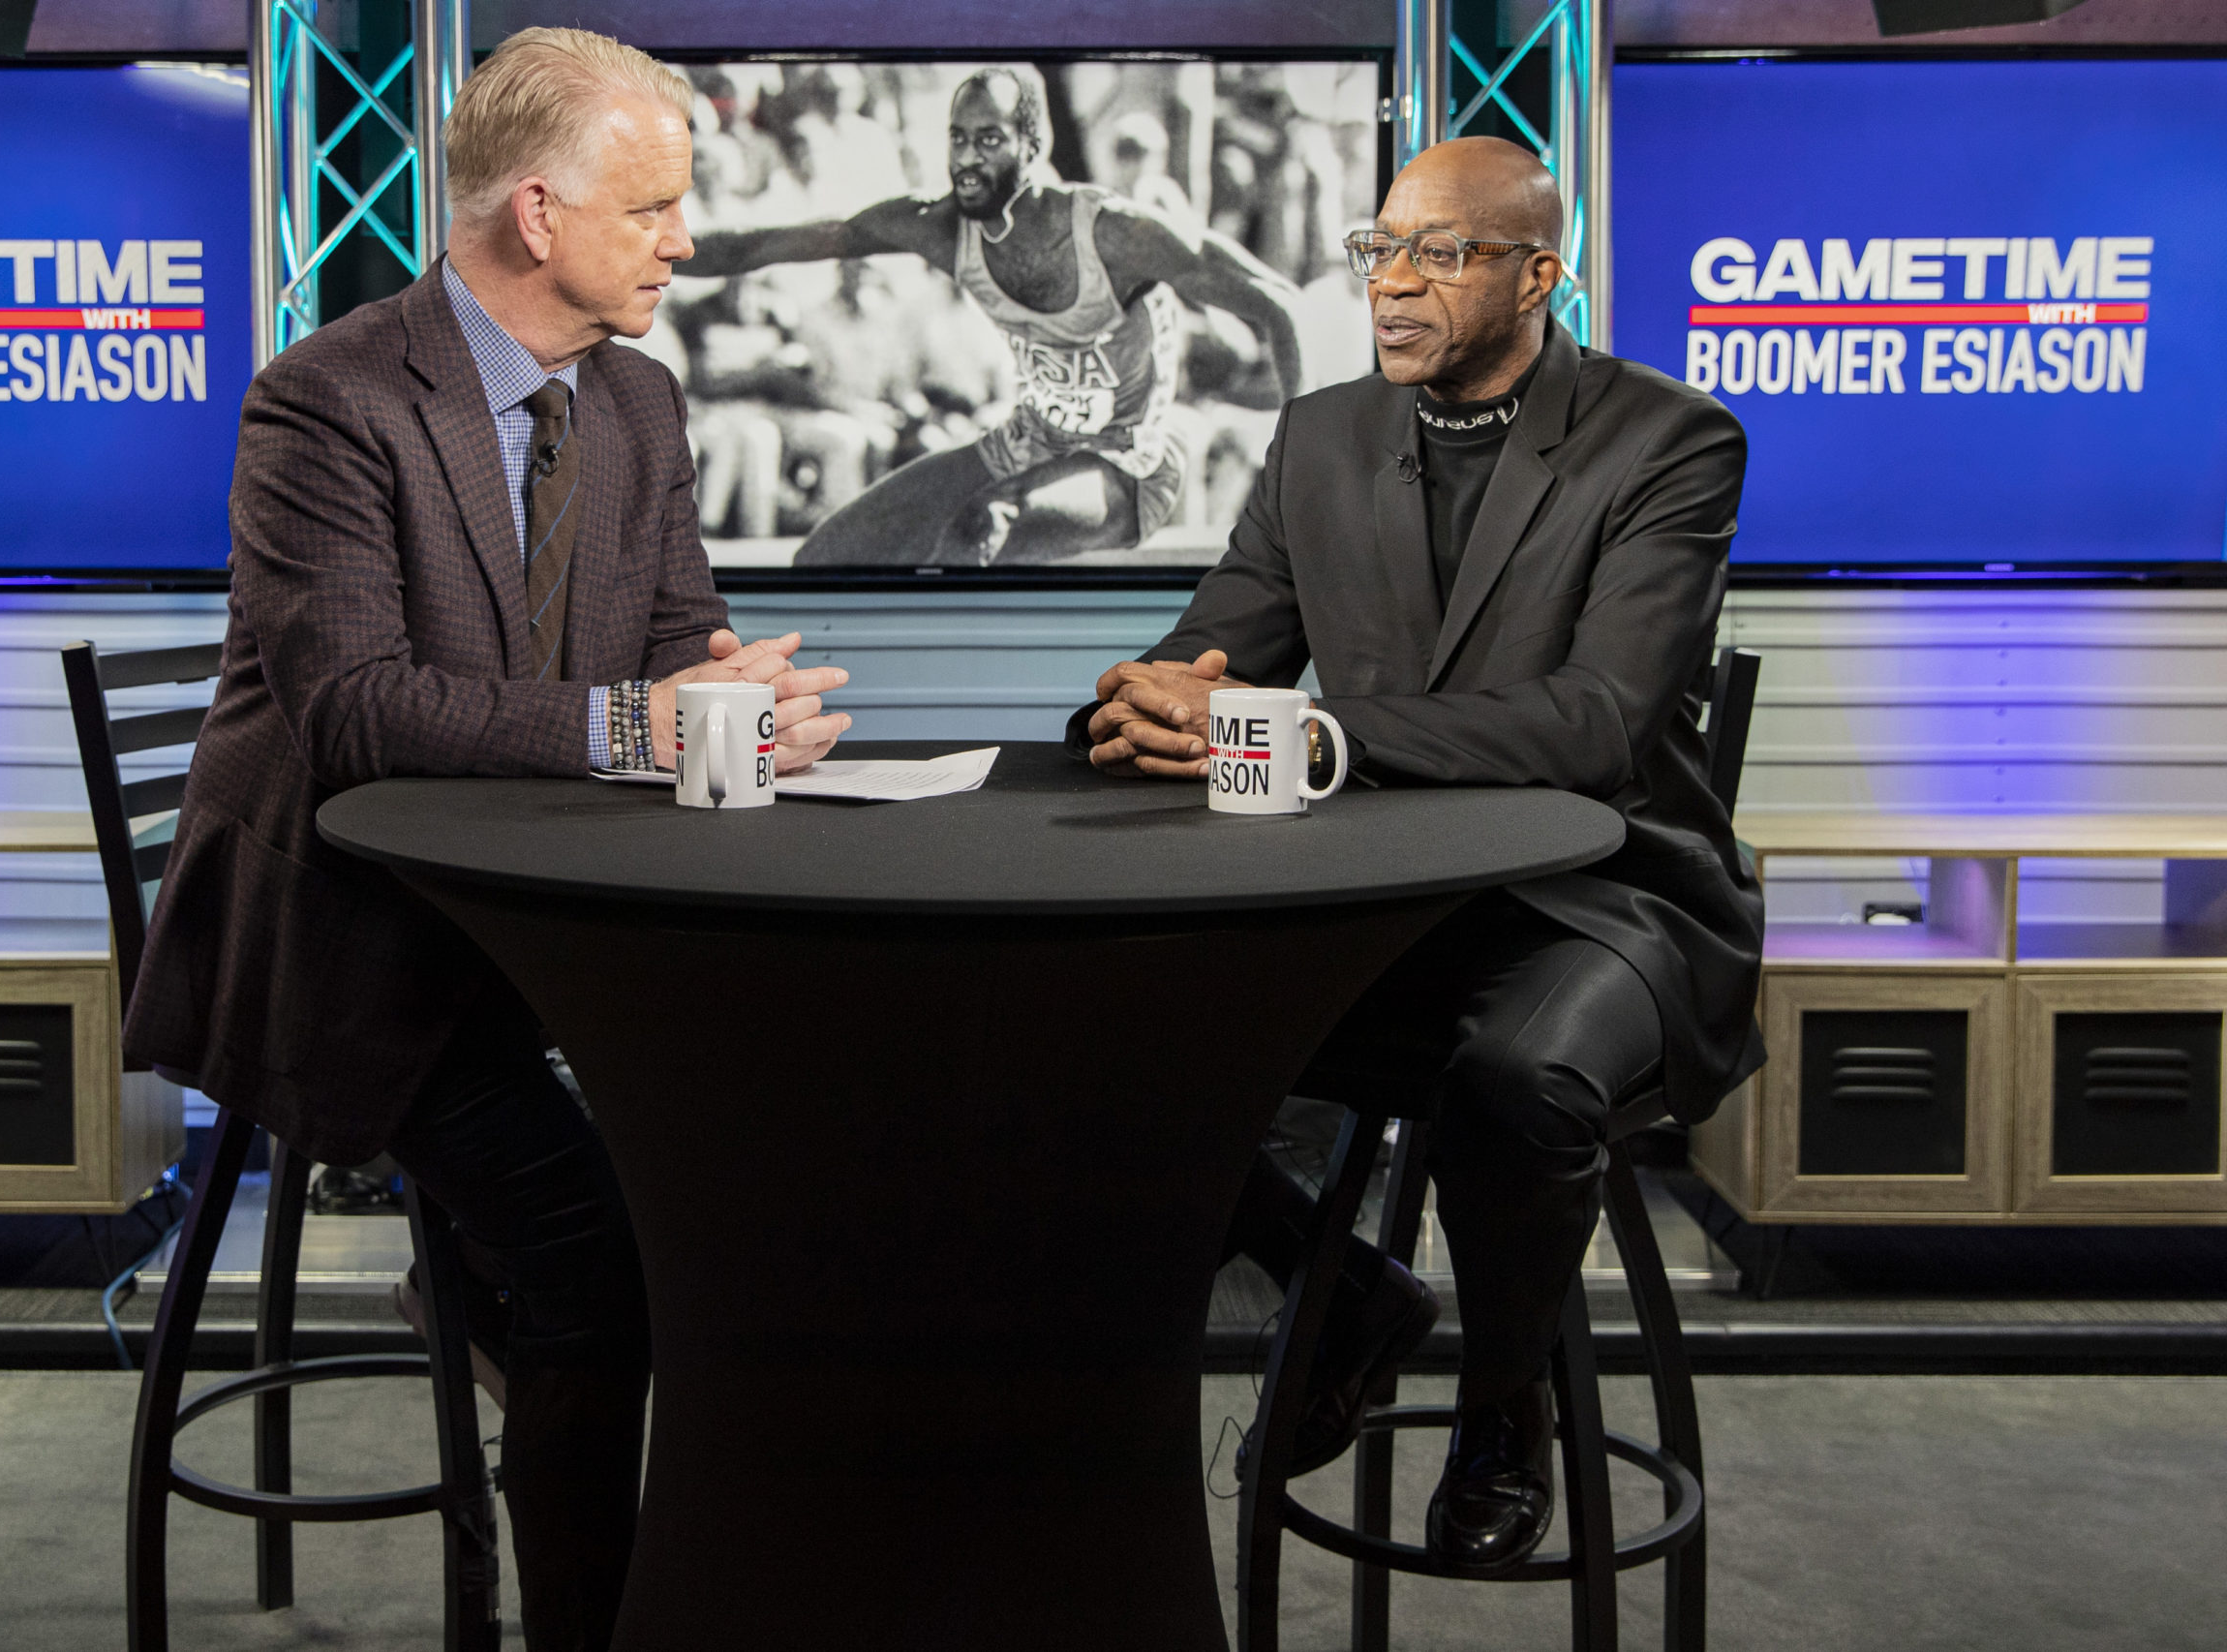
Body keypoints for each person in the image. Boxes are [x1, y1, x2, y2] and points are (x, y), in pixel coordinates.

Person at [121, 28, 852, 1650]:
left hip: (539, 942)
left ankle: (532, 1337)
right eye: (652, 207)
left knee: (753, 1168)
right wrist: (644, 726)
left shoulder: (641, 401)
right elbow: (359, 710)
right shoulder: (327, 402)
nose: (684, 241)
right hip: (346, 953)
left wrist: (736, 706)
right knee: (602, 1256)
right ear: (537, 213)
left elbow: (672, 644)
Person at [1074, 137, 1762, 1571]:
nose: (1392, 283)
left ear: (1536, 273)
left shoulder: (1669, 439)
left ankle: (1506, 1406)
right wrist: (1144, 700)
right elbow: (1219, 648)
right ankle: (1346, 1297)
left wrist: (1322, 735)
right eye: (1378, 249)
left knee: (1516, 1076)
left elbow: (1599, 721)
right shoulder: (1320, 437)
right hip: (1385, 905)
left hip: (1605, 898)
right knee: (1107, 1024)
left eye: (1440, 253)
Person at [678, 66, 1309, 567]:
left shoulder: (1114, 233)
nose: (967, 160)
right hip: (1025, 442)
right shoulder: (939, 225)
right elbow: (761, 246)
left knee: (978, 523)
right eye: (958, 139)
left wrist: (1301, 471)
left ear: (1034, 146)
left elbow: (1278, 306)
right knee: (824, 558)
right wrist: (653, 245)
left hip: (1129, 462)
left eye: (989, 140)